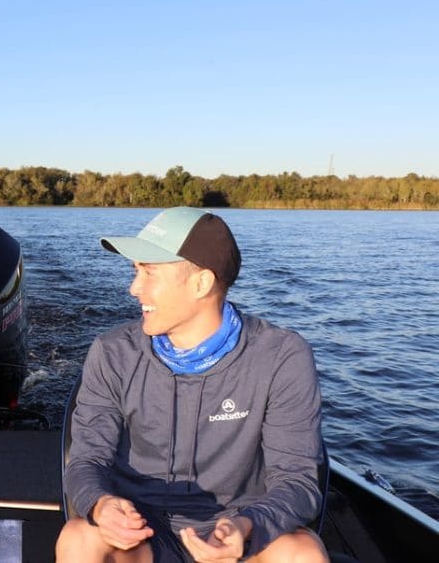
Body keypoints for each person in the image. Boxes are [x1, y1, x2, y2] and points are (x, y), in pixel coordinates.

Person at [57, 207, 329, 563]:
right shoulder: (112, 353)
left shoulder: (281, 357)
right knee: (78, 539)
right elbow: (85, 460)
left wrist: (247, 527)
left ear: (201, 282)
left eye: (149, 272)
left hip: (237, 528)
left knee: (302, 554)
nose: (134, 288)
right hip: (141, 533)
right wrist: (102, 504)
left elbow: (297, 481)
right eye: (135, 271)